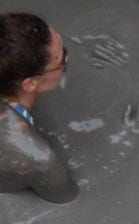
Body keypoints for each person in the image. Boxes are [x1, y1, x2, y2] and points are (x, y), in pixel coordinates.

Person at [0, 13, 77, 203]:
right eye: (62, 59)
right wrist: (133, 133)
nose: (66, 60)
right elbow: (67, 200)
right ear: (30, 84)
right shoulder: (39, 159)